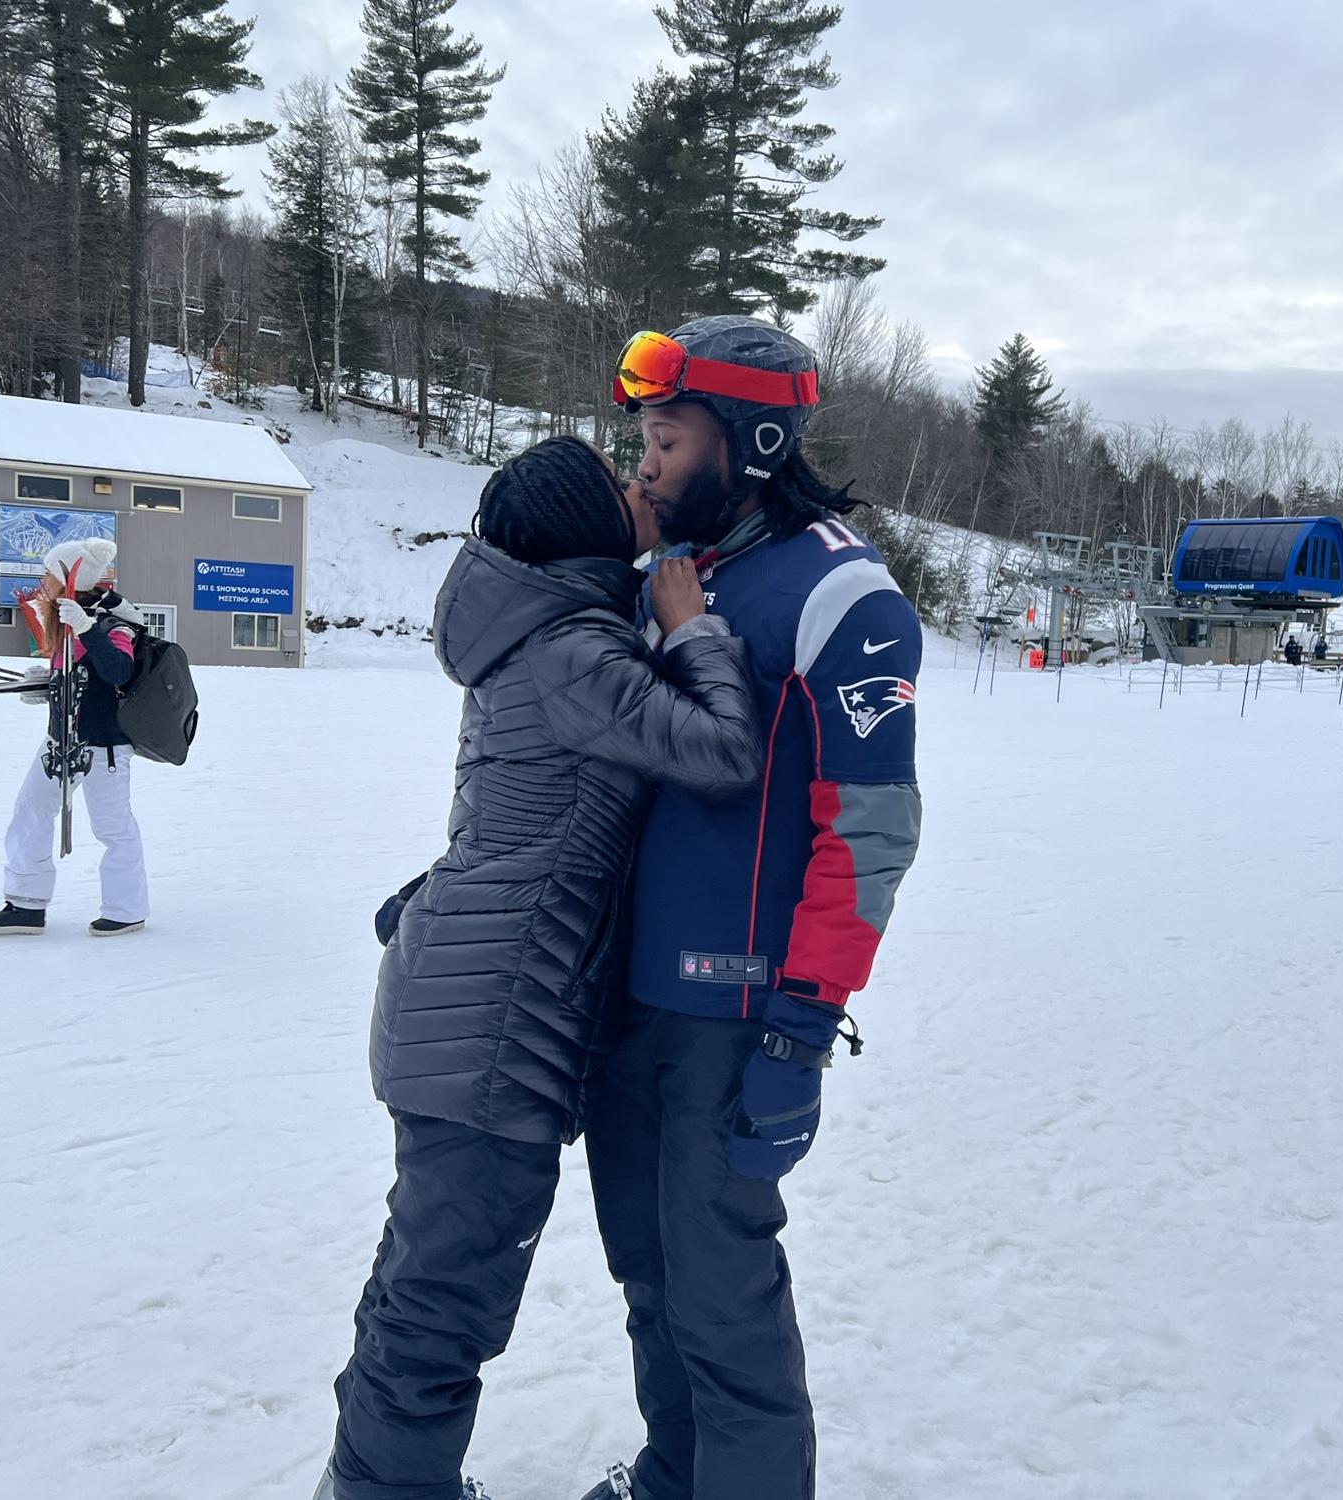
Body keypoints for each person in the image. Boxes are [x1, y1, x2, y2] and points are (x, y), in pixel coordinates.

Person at [313, 436, 763, 1500]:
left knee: (425, 1283)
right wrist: (694, 631)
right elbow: (725, 752)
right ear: (585, 528)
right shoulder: (572, 653)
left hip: (471, 1005)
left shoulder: (551, 633)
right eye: (618, 483)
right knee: (442, 1303)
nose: (640, 484)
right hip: (489, 1029)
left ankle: (378, 1484)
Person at [580, 318, 923, 1500]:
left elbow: (870, 833)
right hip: (625, 1001)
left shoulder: (842, 591)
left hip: (732, 1023)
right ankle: (674, 1473)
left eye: (668, 441)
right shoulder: (671, 575)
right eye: (645, 440)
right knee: (647, 1274)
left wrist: (803, 1023)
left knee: (721, 1292)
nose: (646, 464)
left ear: (753, 442)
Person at [0, 538, 149, 937]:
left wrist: (88, 628)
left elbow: (119, 671)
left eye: (49, 573)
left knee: (112, 826)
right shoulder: (64, 621)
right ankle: (26, 905)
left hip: (103, 743)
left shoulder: (111, 624)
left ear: (71, 581)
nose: (43, 580)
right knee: (30, 811)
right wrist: (46, 685)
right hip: (60, 739)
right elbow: (77, 675)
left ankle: (126, 910)